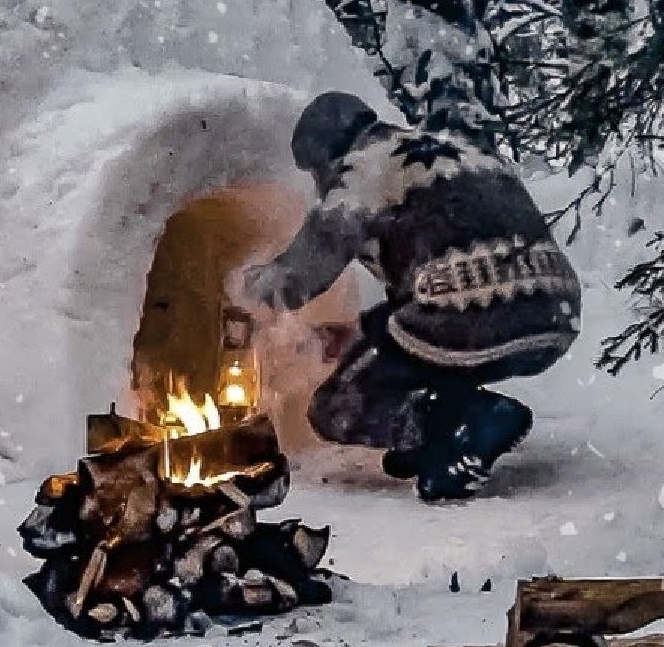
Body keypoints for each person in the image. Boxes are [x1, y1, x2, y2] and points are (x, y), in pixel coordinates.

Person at [237, 91, 581, 501]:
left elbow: (306, 267)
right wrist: (362, 331)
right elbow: (442, 267)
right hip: (554, 310)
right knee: (425, 354)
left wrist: (245, 294)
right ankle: (436, 443)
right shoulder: (456, 148)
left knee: (336, 406)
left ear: (327, 153)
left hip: (472, 312)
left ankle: (464, 422)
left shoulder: (364, 168)